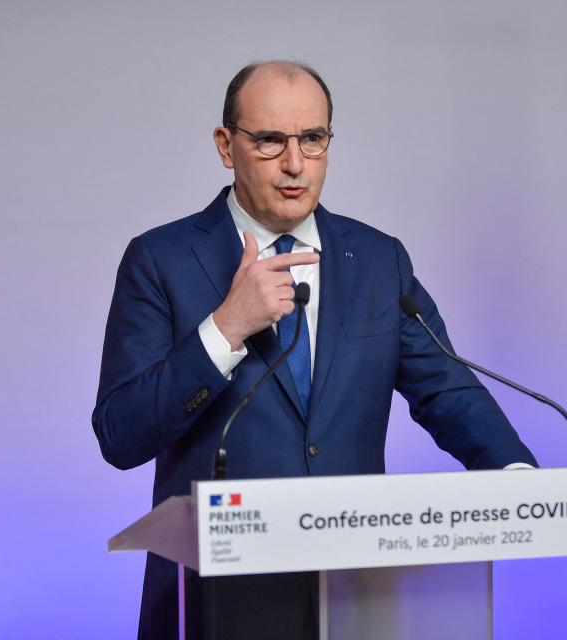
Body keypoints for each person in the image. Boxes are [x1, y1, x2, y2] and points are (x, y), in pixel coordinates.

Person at [92, 60, 537, 640]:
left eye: (313, 139)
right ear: (227, 146)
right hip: (219, 604)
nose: (295, 163)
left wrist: (521, 479)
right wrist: (226, 328)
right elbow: (120, 434)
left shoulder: (379, 260)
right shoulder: (161, 260)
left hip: (356, 597)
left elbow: (447, 389)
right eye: (271, 140)